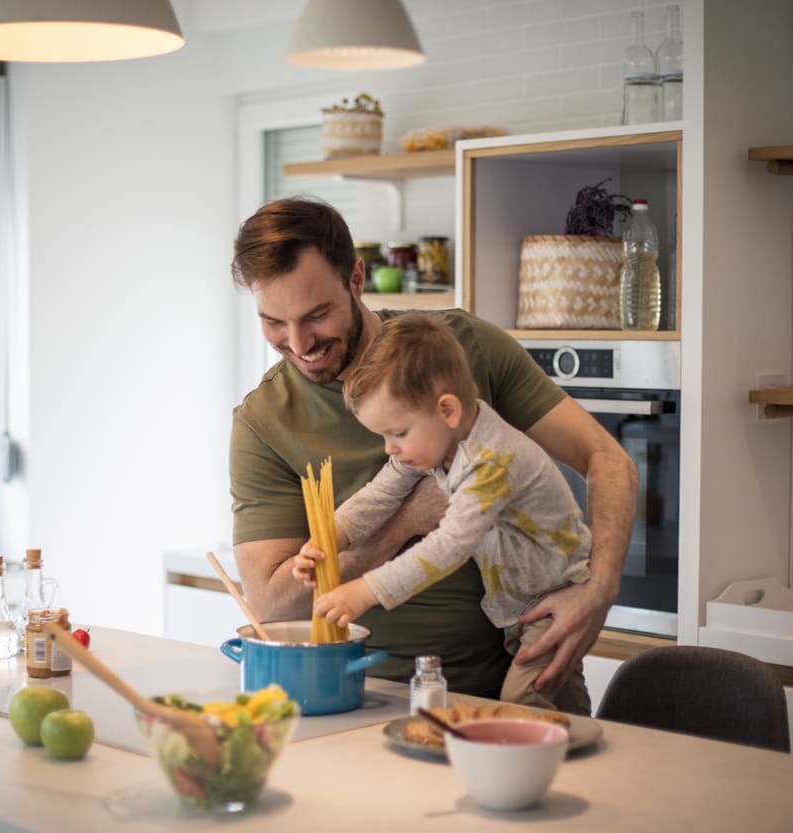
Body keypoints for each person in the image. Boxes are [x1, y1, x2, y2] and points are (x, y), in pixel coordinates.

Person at [228, 197, 636, 714]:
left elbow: (608, 459)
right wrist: (400, 525)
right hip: (355, 695)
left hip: (498, 680)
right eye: (273, 323)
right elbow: (269, 603)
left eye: (318, 315)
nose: (299, 343)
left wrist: (598, 588)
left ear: (356, 278)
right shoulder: (263, 421)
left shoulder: (459, 351)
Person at [292, 313, 594, 710]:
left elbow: (447, 548)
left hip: (554, 601)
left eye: (397, 433)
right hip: (520, 605)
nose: (390, 448)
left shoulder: (489, 461)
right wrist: (328, 538)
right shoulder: (442, 439)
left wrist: (365, 590)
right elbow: (380, 494)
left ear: (447, 410)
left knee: (522, 705)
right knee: (562, 702)